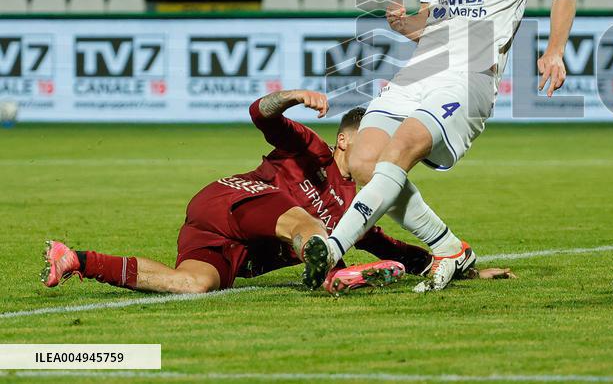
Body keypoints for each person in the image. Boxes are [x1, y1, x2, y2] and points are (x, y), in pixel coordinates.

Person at [305, 0, 577, 293]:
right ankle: (449, 247)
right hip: (425, 64)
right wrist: (406, 24)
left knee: (406, 145)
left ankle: (333, 247)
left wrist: (555, 51)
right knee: (362, 161)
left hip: (472, 70)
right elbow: (432, 21)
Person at [42, 91, 513, 295]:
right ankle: (330, 271)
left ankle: (76, 259)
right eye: (379, 143)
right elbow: (261, 114)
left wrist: (467, 271)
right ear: (347, 139)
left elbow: (400, 251)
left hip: (232, 242)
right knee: (304, 222)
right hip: (232, 198)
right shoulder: (311, 149)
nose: (386, 155)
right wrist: (289, 96)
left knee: (194, 285)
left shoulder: (362, 206)